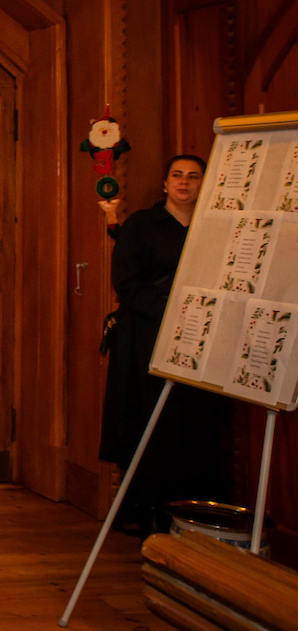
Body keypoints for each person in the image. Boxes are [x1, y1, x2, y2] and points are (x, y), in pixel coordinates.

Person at [99, 154, 230, 535]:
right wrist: (173, 309)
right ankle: (148, 510)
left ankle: (193, 513)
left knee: (192, 422)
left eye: (192, 176)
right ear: (165, 183)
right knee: (148, 420)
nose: (184, 182)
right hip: (146, 336)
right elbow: (126, 281)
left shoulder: (213, 228)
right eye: (177, 175)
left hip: (200, 337)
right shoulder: (142, 224)